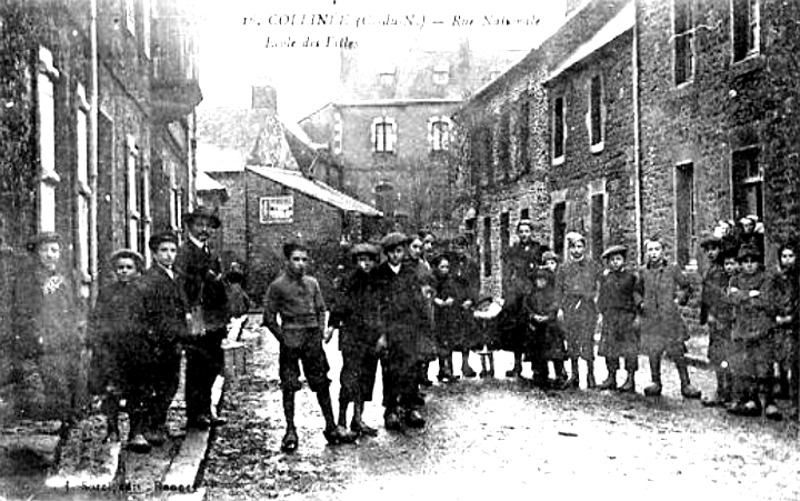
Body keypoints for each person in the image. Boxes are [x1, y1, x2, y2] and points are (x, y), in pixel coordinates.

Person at [262, 241, 357, 452]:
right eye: (296, 259)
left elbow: (322, 309)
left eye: (304, 260)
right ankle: (290, 430)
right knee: (289, 385)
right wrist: (283, 338)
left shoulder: (312, 283)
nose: (300, 264)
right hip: (291, 341)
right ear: (287, 261)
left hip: (312, 341)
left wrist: (321, 330)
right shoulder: (277, 286)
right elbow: (268, 317)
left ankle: (331, 427)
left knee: (321, 382)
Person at [8, 232, 84, 433]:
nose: (50, 255)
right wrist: (37, 336)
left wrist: (76, 329)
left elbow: (74, 306)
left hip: (66, 336)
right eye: (45, 250)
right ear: (37, 254)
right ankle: (60, 421)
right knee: (54, 379)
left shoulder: (65, 277)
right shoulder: (29, 279)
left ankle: (70, 419)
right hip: (46, 338)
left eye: (55, 250)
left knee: (71, 376)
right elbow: (24, 311)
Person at [131, 231, 188, 452]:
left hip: (173, 340)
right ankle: (150, 426)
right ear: (154, 254)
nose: (169, 255)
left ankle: (159, 422)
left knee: (170, 384)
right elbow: (145, 314)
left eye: (173, 250)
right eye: (163, 251)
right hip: (157, 342)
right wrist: (153, 339)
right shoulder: (148, 280)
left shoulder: (176, 276)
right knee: (154, 385)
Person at [175, 207, 231, 429]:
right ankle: (195, 412)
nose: (204, 229)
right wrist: (188, 313)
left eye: (207, 226)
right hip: (197, 314)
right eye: (199, 225)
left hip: (213, 316)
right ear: (190, 227)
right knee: (197, 363)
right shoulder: (184, 252)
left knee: (212, 363)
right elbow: (182, 285)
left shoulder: (210, 252)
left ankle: (207, 408)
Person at [88, 249, 146, 443]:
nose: (124, 271)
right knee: (111, 391)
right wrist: (97, 342)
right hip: (112, 351)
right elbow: (97, 318)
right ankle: (112, 430)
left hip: (136, 351)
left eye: (128, 268)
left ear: (136, 270)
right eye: (120, 268)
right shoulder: (107, 293)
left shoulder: (142, 291)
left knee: (137, 392)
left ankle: (136, 432)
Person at [374, 232, 430, 431]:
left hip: (409, 327)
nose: (396, 256)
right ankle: (390, 410)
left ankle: (409, 407)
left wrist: (422, 326)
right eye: (392, 252)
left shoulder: (409, 272)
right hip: (390, 329)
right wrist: (381, 334)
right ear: (387, 254)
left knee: (411, 368)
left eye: (399, 251)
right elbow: (377, 306)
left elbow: (418, 300)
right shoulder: (379, 273)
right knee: (390, 370)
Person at [638, 238, 701, 398]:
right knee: (654, 351)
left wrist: (678, 299)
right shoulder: (643, 271)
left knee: (677, 352)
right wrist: (640, 304)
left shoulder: (672, 269)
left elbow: (686, 286)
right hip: (651, 319)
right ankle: (655, 382)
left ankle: (686, 384)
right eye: (650, 250)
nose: (653, 253)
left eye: (657, 249)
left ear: (663, 252)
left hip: (670, 318)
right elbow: (636, 291)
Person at [331, 242, 383, 437]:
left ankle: (358, 419)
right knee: (349, 377)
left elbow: (383, 310)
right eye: (361, 260)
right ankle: (342, 421)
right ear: (355, 262)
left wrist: (381, 335)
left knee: (366, 377)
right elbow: (339, 306)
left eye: (369, 260)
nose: (365, 264)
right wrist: (332, 326)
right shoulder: (348, 282)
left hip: (371, 336)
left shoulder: (378, 283)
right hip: (352, 336)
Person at [727, 244, 774, 418]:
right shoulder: (735, 279)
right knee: (746, 364)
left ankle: (769, 401)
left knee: (764, 363)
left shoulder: (765, 278)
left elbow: (766, 300)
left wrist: (743, 296)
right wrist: (750, 294)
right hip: (742, 326)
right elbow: (731, 297)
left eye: (752, 261)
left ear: (758, 262)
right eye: (745, 261)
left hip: (762, 327)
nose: (749, 265)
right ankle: (752, 399)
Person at [501, 219, 547, 378]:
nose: (524, 234)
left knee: (534, 330)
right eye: (521, 231)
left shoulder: (538, 249)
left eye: (527, 231)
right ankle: (517, 365)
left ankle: (537, 367)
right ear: (517, 233)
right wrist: (508, 291)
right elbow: (507, 273)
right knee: (517, 330)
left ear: (531, 232)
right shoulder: (513, 250)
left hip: (534, 293)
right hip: (518, 293)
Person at [557, 232, 601, 390]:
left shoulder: (593, 266)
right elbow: (559, 290)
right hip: (570, 306)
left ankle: (591, 375)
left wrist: (595, 300)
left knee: (587, 340)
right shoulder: (563, 268)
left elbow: (599, 285)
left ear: (584, 248)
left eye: (580, 247)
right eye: (573, 247)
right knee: (572, 340)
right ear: (569, 250)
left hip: (587, 307)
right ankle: (575, 375)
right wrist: (561, 308)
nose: (577, 250)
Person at [596, 245, 641, 392]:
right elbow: (602, 297)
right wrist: (602, 313)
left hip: (626, 316)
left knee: (629, 349)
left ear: (624, 261)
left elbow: (637, 296)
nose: (615, 262)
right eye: (612, 260)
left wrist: (636, 316)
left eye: (618, 259)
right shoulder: (606, 277)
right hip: (610, 317)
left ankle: (630, 379)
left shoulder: (631, 277)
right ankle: (611, 377)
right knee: (610, 349)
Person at [699, 238, 736, 407]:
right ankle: (721, 389)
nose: (711, 252)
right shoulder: (711, 269)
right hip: (714, 319)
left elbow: (720, 297)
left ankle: (726, 392)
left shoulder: (722, 272)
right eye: (708, 250)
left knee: (724, 354)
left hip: (723, 319)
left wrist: (714, 314)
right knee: (717, 355)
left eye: (714, 249)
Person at [764, 242, 799, 420]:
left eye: (790, 256)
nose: (787, 260)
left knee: (795, 363)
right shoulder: (775, 279)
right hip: (778, 323)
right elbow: (769, 299)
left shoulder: (797, 278)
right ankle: (787, 395)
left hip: (795, 325)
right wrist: (775, 315)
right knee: (781, 359)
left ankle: (795, 402)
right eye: (784, 256)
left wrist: (793, 317)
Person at [523, 267, 566, 388]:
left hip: (550, 327)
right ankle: (540, 373)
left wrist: (548, 317)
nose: (540, 282)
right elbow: (527, 307)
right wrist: (533, 316)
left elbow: (555, 306)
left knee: (555, 351)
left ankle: (559, 374)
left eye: (543, 280)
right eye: (538, 280)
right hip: (536, 327)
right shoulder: (531, 294)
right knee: (537, 352)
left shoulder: (552, 294)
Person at [406, 232, 437, 390]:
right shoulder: (405, 266)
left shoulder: (423, 265)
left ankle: (420, 380)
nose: (419, 250)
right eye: (415, 247)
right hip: (412, 311)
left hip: (425, 307)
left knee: (423, 346)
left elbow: (432, 283)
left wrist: (430, 291)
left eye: (420, 247)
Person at [450, 235, 481, 378]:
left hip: (466, 304)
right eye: (456, 247)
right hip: (452, 303)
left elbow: (475, 284)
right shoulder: (449, 263)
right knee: (450, 335)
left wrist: (471, 300)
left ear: (466, 248)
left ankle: (465, 364)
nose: (459, 250)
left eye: (461, 247)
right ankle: (448, 368)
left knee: (466, 336)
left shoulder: (472, 264)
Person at [432, 253, 459, 383]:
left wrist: (451, 299)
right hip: (437, 314)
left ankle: (449, 369)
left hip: (449, 314)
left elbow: (454, 293)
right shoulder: (433, 280)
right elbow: (431, 293)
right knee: (440, 342)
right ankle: (443, 368)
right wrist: (436, 300)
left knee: (448, 341)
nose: (445, 270)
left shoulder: (450, 280)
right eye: (442, 267)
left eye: (447, 267)